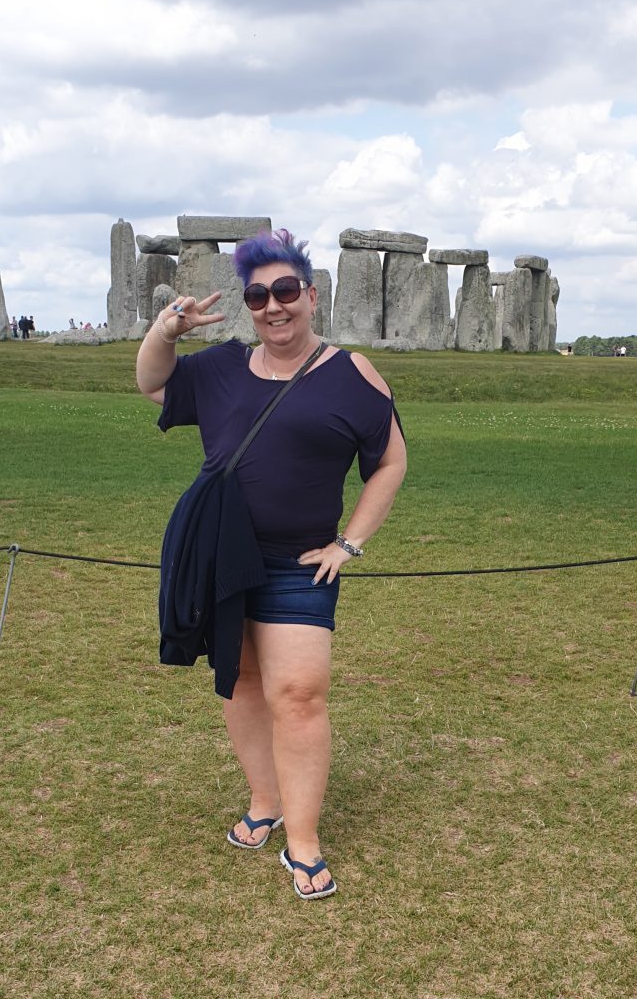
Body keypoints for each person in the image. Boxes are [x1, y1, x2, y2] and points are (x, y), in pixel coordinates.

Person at [136, 229, 406, 899]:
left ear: (312, 296)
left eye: (286, 291)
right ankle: (266, 799)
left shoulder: (353, 372)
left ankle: (303, 841)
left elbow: (389, 461)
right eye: (259, 295)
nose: (273, 306)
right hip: (222, 551)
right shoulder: (223, 367)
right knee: (242, 681)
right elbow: (150, 382)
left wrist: (349, 542)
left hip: (298, 562)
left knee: (300, 694)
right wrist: (167, 329)